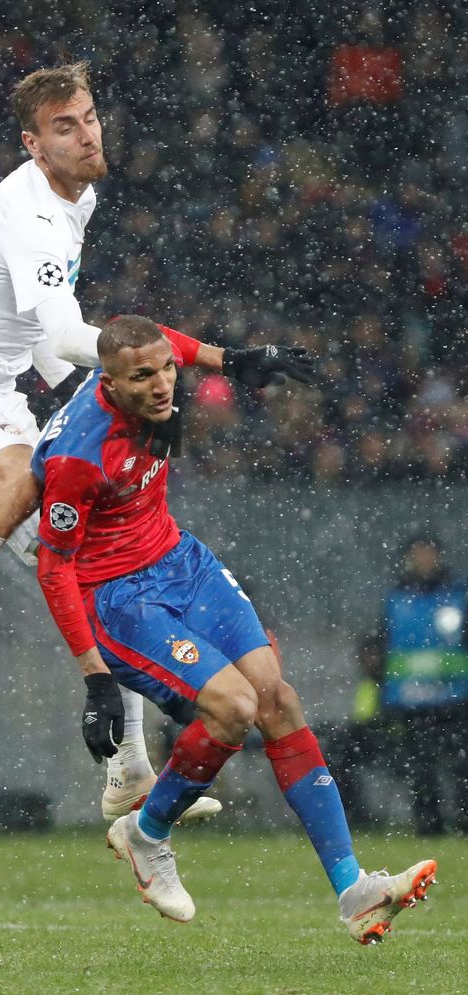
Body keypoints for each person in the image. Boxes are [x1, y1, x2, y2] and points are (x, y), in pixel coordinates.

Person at [0, 61, 227, 822]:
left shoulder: (81, 197)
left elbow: (41, 334)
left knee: (99, 560)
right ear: (34, 145)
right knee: (23, 480)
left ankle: (131, 769)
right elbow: (68, 332)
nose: (87, 133)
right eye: (65, 126)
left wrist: (87, 406)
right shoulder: (28, 210)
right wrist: (142, 365)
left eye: (90, 116)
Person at [32, 315, 437, 942]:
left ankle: (354, 890)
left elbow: (165, 339)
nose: (164, 382)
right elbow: (54, 568)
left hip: (180, 561)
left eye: (166, 367)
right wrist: (96, 679)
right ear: (106, 382)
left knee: (277, 699)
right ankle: (147, 835)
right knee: (234, 708)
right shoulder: (77, 458)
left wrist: (233, 358)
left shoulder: (146, 375)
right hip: (120, 598)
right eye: (143, 376)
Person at [378, 533, 468, 835]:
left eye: (429, 553)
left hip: (455, 697)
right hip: (410, 699)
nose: (424, 559)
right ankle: (429, 826)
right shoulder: (396, 598)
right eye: (419, 553)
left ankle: (462, 823)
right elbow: (383, 648)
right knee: (420, 769)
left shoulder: (458, 595)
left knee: (460, 768)